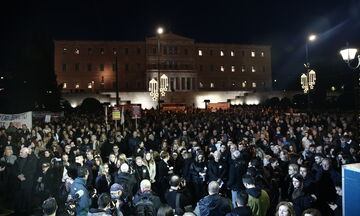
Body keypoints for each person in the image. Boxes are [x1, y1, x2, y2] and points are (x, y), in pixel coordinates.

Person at [13, 147, 37, 215]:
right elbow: (13, 170)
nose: (19, 153)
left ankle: (28, 213)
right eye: (20, 152)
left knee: (28, 199)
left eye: (21, 152)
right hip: (18, 182)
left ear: (26, 153)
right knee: (18, 199)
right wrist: (18, 175)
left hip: (27, 182)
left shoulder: (32, 159)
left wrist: (24, 175)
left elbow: (33, 170)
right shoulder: (17, 159)